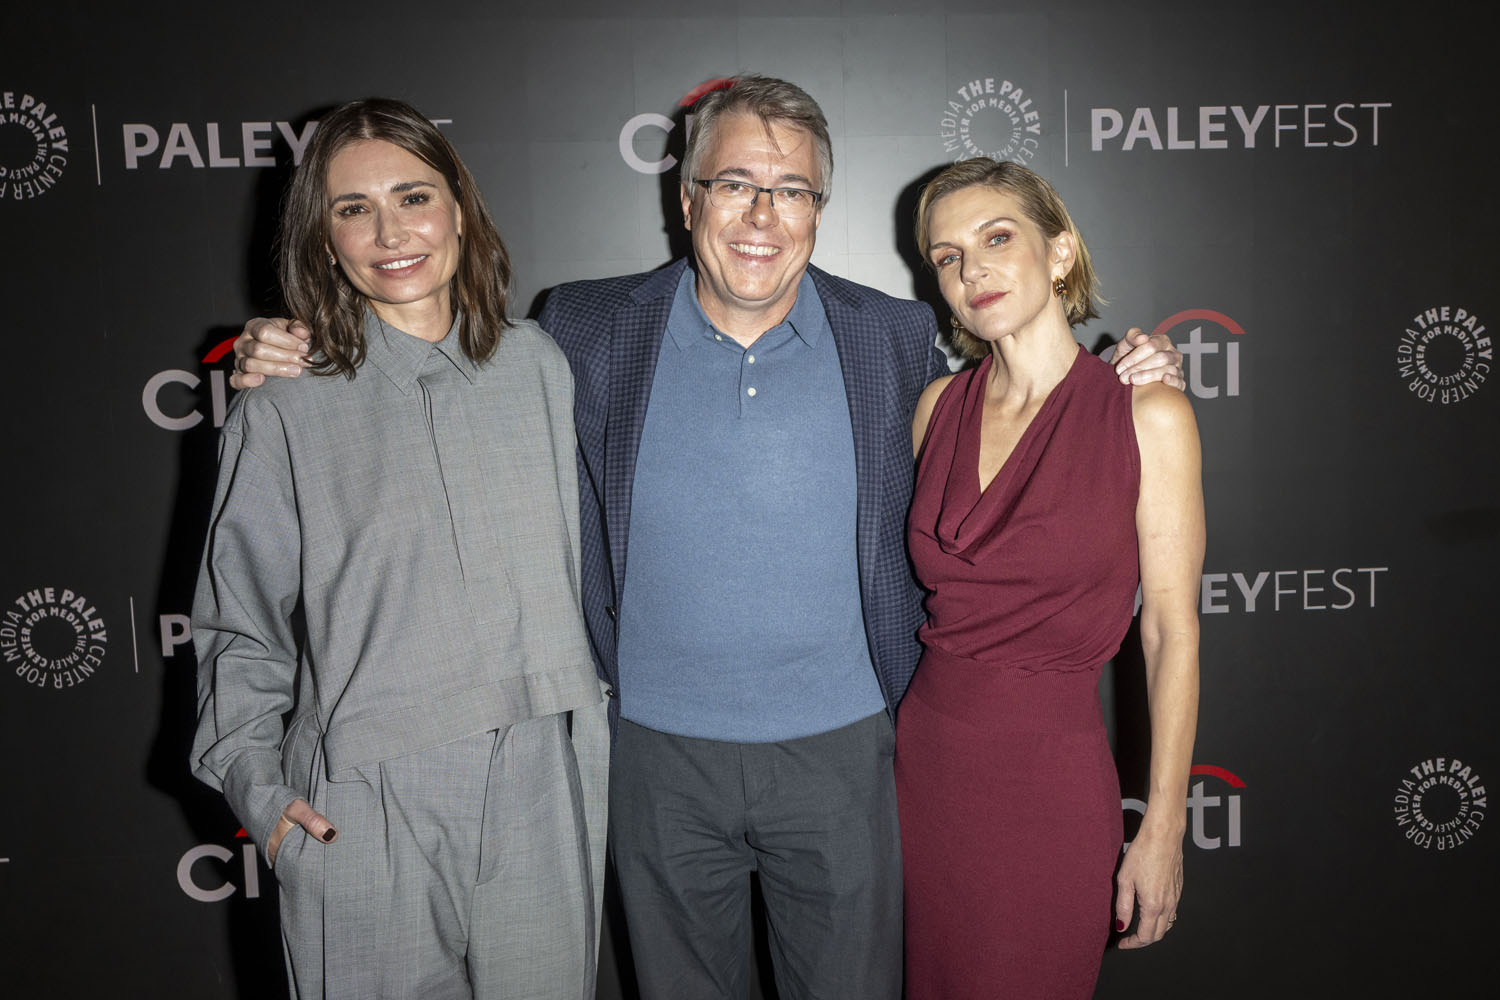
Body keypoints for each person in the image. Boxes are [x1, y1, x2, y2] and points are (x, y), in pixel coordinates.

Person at [228, 77, 1184, 1000]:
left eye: (792, 190)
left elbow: (1032, 401)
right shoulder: (583, 328)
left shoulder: (892, 338)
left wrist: (1139, 371)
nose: (762, 214)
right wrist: (296, 344)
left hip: (849, 757)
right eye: (734, 184)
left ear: (819, 211)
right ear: (687, 201)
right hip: (654, 761)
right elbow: (439, 361)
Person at [190, 98, 608, 1000]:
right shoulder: (284, 403)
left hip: (542, 778)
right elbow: (238, 622)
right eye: (354, 208)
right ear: (324, 237)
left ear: (458, 206)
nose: (390, 233)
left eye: (413, 196)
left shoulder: (541, 365)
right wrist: (262, 795)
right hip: (365, 800)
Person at [896, 157, 1203, 999]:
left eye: (998, 238)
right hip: (919, 772)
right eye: (949, 256)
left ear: (1060, 252)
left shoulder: (1146, 414)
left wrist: (1164, 827)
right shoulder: (937, 409)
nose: (973, 270)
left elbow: (1171, 630)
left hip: (1047, 783)